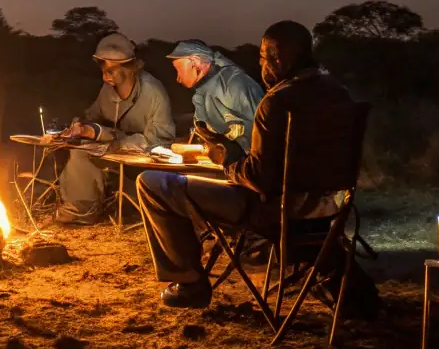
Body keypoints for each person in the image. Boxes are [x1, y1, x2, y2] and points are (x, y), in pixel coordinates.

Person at [137, 20, 353, 308]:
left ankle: (189, 284)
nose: (260, 64)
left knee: (154, 183)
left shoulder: (277, 102)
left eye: (263, 57)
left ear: (278, 57)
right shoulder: (338, 93)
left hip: (275, 211)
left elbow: (260, 177)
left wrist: (227, 161)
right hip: (330, 213)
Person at [55, 32, 176, 224]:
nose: (105, 77)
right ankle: (81, 208)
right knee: (79, 149)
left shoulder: (153, 92)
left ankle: (101, 205)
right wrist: (80, 126)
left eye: (110, 71)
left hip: (144, 158)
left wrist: (118, 144)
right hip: (114, 149)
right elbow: (93, 116)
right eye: (103, 70)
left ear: (128, 68)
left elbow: (160, 139)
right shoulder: (108, 90)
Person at [167, 39, 263, 158]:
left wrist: (214, 149)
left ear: (195, 62)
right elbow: (204, 130)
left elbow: (250, 135)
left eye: (178, 70)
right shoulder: (202, 91)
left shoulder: (234, 84)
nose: (178, 78)